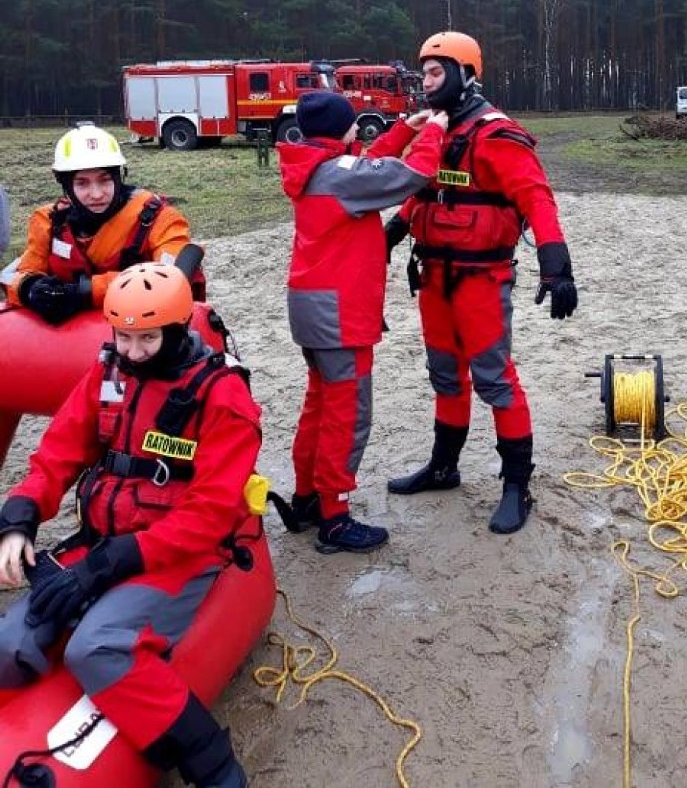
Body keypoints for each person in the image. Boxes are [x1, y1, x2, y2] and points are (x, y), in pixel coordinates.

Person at [0, 262, 261, 787]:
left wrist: (110, 565)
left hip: (179, 555)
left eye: (147, 339)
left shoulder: (222, 396)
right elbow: (59, 452)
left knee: (97, 647)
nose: (133, 352)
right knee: (8, 649)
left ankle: (216, 768)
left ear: (178, 327)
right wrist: (20, 515)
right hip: (105, 539)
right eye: (122, 336)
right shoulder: (108, 373)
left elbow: (209, 514)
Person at [384, 30, 578, 535]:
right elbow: (428, 190)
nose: (425, 82)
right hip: (433, 277)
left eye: (435, 71)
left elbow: (537, 201)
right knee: (445, 376)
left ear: (465, 74)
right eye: (422, 71)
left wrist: (557, 267)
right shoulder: (438, 131)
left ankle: (517, 485)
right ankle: (443, 468)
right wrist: (394, 230)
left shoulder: (497, 135)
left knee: (494, 379)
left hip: (481, 281)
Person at [278, 90, 448, 554]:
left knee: (319, 406)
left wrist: (406, 129)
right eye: (354, 124)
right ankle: (335, 517)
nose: (360, 131)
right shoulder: (338, 176)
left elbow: (368, 165)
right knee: (348, 415)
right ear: (341, 130)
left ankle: (307, 498)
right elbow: (409, 175)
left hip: (311, 310)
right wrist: (434, 130)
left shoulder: (314, 164)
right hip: (339, 315)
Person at [5, 122, 204, 323]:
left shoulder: (161, 220)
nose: (97, 194)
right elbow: (19, 274)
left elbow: (169, 279)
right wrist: (29, 289)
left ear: (120, 177)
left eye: (105, 180)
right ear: (65, 185)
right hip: (64, 343)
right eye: (82, 183)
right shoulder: (48, 221)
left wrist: (86, 293)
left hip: (139, 336)